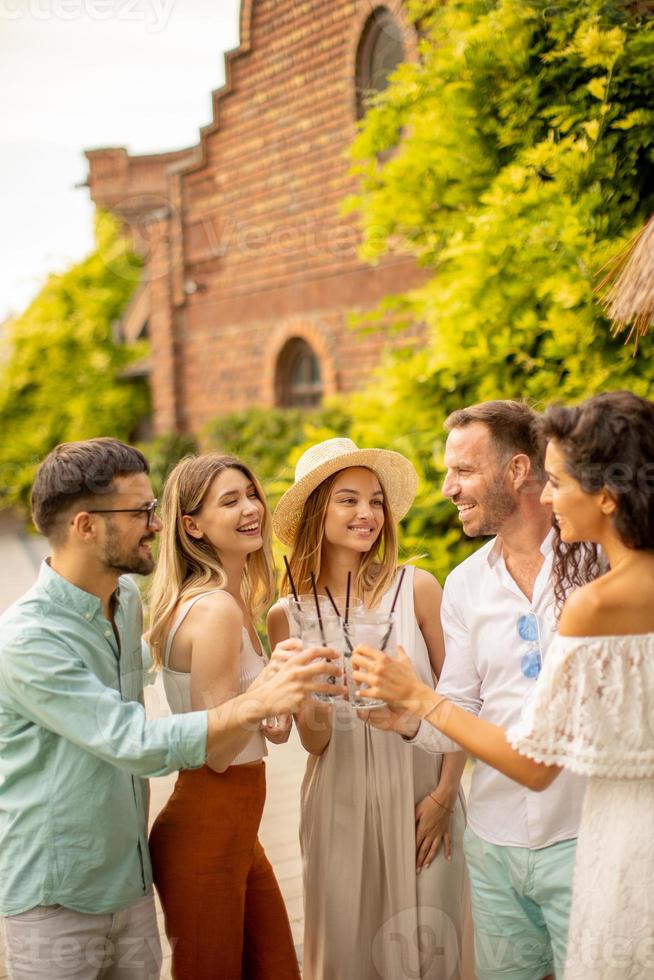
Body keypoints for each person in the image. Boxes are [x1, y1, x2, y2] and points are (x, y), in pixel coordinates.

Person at [0, 438, 338, 980]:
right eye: (140, 512)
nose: (154, 525)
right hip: (56, 893)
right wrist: (259, 700)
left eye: (153, 509)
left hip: (129, 876)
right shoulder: (28, 639)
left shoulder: (126, 602)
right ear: (86, 526)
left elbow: (193, 697)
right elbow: (134, 742)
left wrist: (270, 701)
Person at [353, 390, 654, 979]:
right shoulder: (464, 584)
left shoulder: (602, 569)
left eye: (462, 469)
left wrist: (422, 698)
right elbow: (462, 707)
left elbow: (539, 754)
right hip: (496, 845)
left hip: (588, 833)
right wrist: (414, 719)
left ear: (518, 469)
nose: (449, 488)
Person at [268, 437, 471, 980]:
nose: (367, 514)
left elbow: (459, 703)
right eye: (348, 499)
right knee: (351, 954)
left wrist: (446, 796)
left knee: (437, 950)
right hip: (341, 801)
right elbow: (312, 741)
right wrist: (311, 705)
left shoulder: (419, 589)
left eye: (376, 500)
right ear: (317, 511)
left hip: (424, 796)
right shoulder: (286, 614)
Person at [148, 453, 322, 980]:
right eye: (230, 501)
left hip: (237, 830)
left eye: (251, 494)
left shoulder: (232, 600)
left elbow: (244, 725)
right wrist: (271, 688)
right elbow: (216, 752)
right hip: (207, 823)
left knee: (274, 969)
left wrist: (277, 708)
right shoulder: (215, 609)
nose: (251, 508)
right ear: (192, 526)